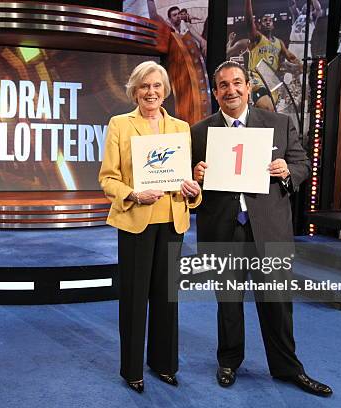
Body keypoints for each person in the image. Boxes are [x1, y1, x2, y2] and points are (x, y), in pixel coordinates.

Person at [190, 60, 332, 397]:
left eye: (237, 82)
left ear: (249, 87)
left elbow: (301, 165)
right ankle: (228, 361)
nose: (231, 90)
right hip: (222, 229)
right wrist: (194, 176)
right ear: (215, 92)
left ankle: (287, 368)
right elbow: (188, 184)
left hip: (270, 229)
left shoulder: (279, 124)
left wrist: (286, 170)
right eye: (223, 85)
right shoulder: (198, 132)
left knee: (278, 302)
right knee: (228, 302)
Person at [99, 61, 201, 393]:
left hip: (173, 220)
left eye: (156, 86)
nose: (151, 92)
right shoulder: (120, 124)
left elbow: (187, 179)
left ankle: (164, 364)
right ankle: (131, 369)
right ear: (134, 90)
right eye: (144, 86)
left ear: (165, 90)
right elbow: (107, 178)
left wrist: (193, 191)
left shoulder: (181, 127)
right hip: (135, 221)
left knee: (166, 299)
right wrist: (132, 193)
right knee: (133, 298)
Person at [245, 0, 301, 111]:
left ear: (273, 25)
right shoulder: (257, 38)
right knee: (267, 108)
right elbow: (249, 21)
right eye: (264, 20)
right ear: (259, 25)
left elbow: (291, 57)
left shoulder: (279, 43)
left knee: (268, 116)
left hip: (272, 83)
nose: (268, 22)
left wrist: (298, 65)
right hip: (257, 79)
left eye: (270, 20)